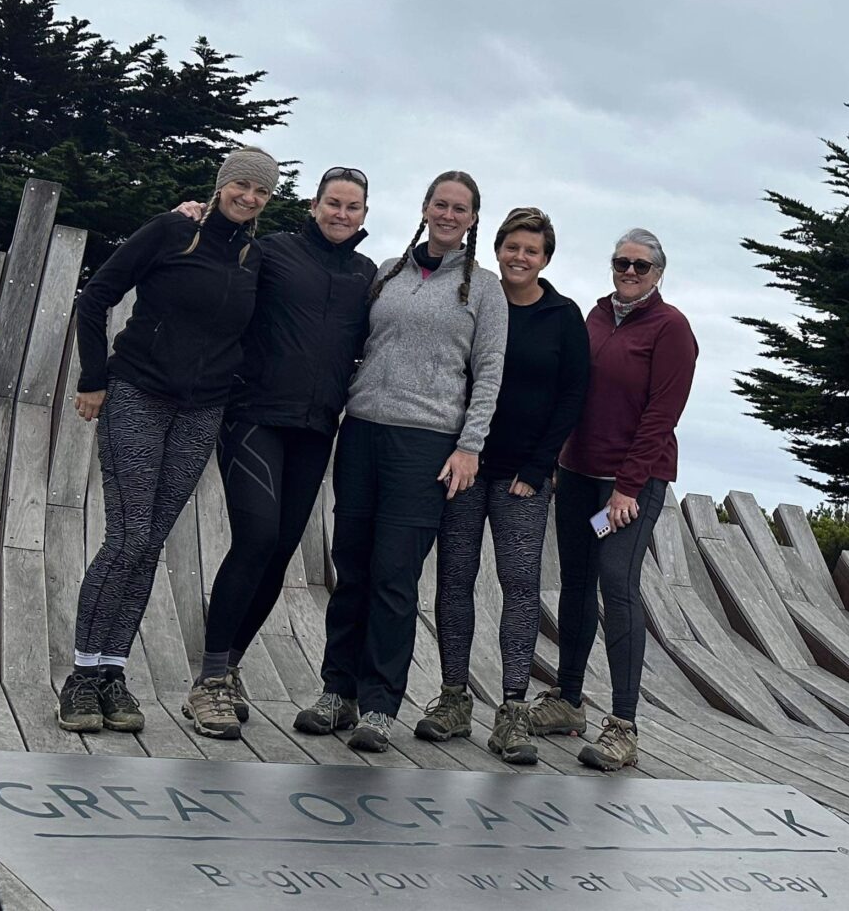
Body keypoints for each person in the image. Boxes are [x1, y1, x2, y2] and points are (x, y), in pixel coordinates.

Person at [58, 146, 279, 734]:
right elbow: (95, 296)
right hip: (137, 395)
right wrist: (92, 378)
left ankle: (112, 672)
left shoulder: (257, 256)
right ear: (221, 184)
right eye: (242, 185)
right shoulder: (171, 230)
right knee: (127, 537)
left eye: (261, 191)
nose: (250, 197)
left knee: (151, 542)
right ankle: (80, 676)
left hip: (202, 411)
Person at [294, 170, 509, 752]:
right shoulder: (387, 272)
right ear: (425, 207)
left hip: (427, 443)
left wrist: (470, 446)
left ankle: (380, 704)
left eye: (460, 209)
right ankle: (337, 690)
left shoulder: (485, 289)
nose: (448, 214)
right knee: (352, 568)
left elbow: (489, 371)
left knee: (394, 575)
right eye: (440, 204)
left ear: (471, 220)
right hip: (362, 432)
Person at [178, 167, 377, 740]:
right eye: (333, 203)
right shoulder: (271, 251)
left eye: (353, 207)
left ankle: (228, 667)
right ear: (313, 205)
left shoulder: (366, 275)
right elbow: (219, 261)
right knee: (257, 537)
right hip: (254, 417)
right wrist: (194, 214)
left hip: (316, 428)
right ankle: (210, 677)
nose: (342, 214)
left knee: (283, 548)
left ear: (365, 215)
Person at [414, 207, 589, 764]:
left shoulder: (564, 316)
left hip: (523, 477)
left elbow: (571, 398)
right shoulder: (476, 300)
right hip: (465, 467)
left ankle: (512, 709)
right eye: (511, 247)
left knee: (519, 588)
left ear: (545, 259)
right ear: (497, 249)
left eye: (531, 250)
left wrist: (537, 469)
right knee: (454, 581)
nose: (520, 257)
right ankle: (453, 697)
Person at [528, 228, 697, 771]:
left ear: (658, 273)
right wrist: (555, 457)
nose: (629, 272)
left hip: (627, 486)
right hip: (577, 474)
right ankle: (568, 702)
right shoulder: (595, 317)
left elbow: (661, 415)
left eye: (640, 266)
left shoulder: (671, 329)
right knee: (575, 582)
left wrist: (628, 486)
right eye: (621, 262)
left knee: (616, 582)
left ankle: (624, 725)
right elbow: (572, 391)